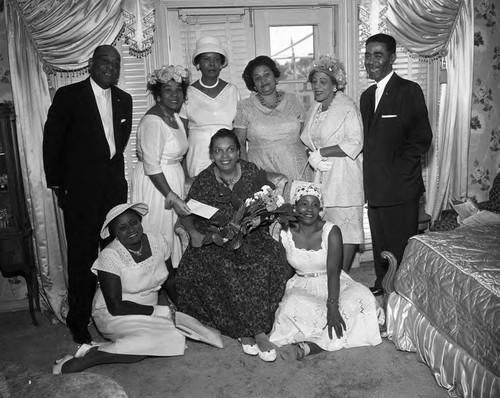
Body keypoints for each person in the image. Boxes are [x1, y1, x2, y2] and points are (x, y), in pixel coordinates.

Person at [176, 129, 292, 362]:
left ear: (239, 151)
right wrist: (193, 233)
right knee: (223, 266)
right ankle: (244, 331)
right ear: (211, 155)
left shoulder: (252, 173)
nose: (225, 155)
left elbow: (270, 205)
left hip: (252, 236)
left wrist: (262, 218)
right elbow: (185, 213)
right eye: (218, 151)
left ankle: (256, 331)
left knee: (264, 261)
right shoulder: (204, 179)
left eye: (230, 149)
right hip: (214, 238)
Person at [43, 45, 133, 344]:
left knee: (114, 256)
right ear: (91, 64)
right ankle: (78, 322)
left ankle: (113, 315)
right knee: (82, 258)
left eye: (116, 62)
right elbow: (52, 142)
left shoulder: (124, 100)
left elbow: (115, 149)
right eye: (105, 61)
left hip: (112, 192)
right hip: (80, 192)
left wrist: (120, 186)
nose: (111, 66)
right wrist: (58, 185)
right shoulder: (69, 96)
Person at [52, 203, 185, 374]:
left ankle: (94, 349)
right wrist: (160, 312)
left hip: (149, 310)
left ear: (140, 221)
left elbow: (170, 280)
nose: (131, 229)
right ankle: (90, 358)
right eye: (122, 228)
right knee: (144, 344)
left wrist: (183, 306)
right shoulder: (109, 256)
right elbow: (116, 306)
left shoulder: (158, 241)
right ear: (114, 233)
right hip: (115, 313)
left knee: (175, 337)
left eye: (133, 223)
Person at [269, 184, 382, 360]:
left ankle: (312, 345)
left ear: (320, 209)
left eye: (315, 205)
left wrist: (332, 306)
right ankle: (328, 340)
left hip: (333, 281)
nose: (309, 209)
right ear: (295, 206)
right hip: (301, 283)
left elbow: (333, 271)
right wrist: (276, 298)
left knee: (362, 295)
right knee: (292, 304)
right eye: (304, 204)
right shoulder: (284, 232)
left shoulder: (331, 231)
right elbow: (284, 270)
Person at [360, 33, 433, 296]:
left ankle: (403, 292)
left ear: (392, 58)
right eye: (367, 55)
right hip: (375, 186)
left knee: (401, 246)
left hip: (401, 187)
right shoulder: (366, 96)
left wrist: (398, 173)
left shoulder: (409, 90)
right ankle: (383, 284)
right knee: (380, 241)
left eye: (377, 55)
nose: (371, 61)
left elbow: (422, 139)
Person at [301, 55, 364, 273]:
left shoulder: (347, 107)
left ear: (335, 84)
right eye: (314, 81)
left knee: (346, 229)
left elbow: (355, 141)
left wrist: (322, 152)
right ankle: (330, 275)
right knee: (327, 227)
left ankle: (343, 277)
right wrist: (313, 156)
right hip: (322, 174)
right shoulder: (316, 109)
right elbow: (309, 140)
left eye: (323, 82)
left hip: (344, 174)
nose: (317, 87)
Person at [131, 65, 191, 270]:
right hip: (157, 185)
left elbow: (179, 155)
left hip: (171, 179)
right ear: (157, 95)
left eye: (178, 90)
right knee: (157, 232)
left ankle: (170, 281)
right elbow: (151, 165)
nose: (174, 95)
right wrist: (171, 196)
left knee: (171, 232)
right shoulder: (153, 121)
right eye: (167, 90)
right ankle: (152, 285)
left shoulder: (175, 117)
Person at [234, 55, 311, 193]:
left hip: (297, 168)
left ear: (275, 77)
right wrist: (248, 173)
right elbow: (239, 142)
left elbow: (304, 135)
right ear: (253, 85)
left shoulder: (293, 100)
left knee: (300, 210)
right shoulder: (244, 107)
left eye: (266, 74)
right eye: (257, 78)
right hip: (263, 171)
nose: (263, 80)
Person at [179, 36, 241, 178]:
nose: (212, 63)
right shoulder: (187, 93)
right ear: (198, 64)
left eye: (216, 59)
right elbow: (182, 135)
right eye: (206, 59)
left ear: (221, 64)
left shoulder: (232, 91)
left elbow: (239, 132)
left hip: (227, 158)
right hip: (197, 158)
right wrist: (182, 170)